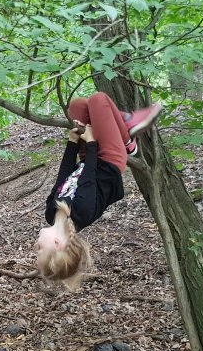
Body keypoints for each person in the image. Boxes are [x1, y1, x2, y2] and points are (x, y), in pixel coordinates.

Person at [34, 92, 162, 288]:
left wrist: (72, 143)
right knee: (98, 99)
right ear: (57, 245)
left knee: (78, 106)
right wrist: (91, 142)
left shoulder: (50, 213)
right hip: (109, 160)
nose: (36, 246)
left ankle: (123, 125)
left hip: (89, 158)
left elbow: (63, 177)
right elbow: (88, 180)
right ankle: (127, 140)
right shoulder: (82, 214)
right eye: (40, 251)